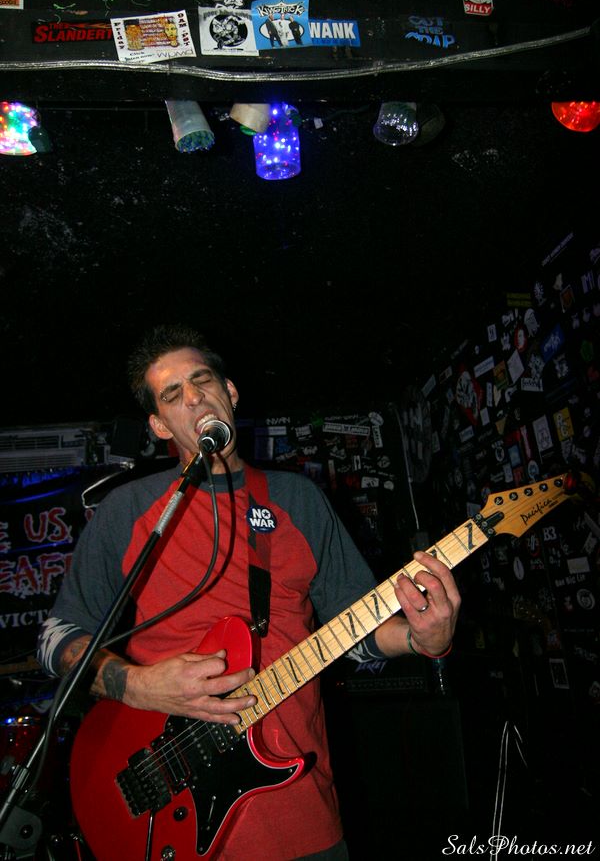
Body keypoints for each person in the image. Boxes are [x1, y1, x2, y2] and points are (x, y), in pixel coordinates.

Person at [37, 324, 461, 861]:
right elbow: (56, 639)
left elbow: (357, 632)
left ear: (230, 392)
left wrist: (425, 639)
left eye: (203, 380)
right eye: (173, 394)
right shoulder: (129, 510)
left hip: (302, 814)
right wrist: (138, 686)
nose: (195, 398)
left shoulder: (297, 500)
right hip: (168, 810)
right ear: (159, 425)